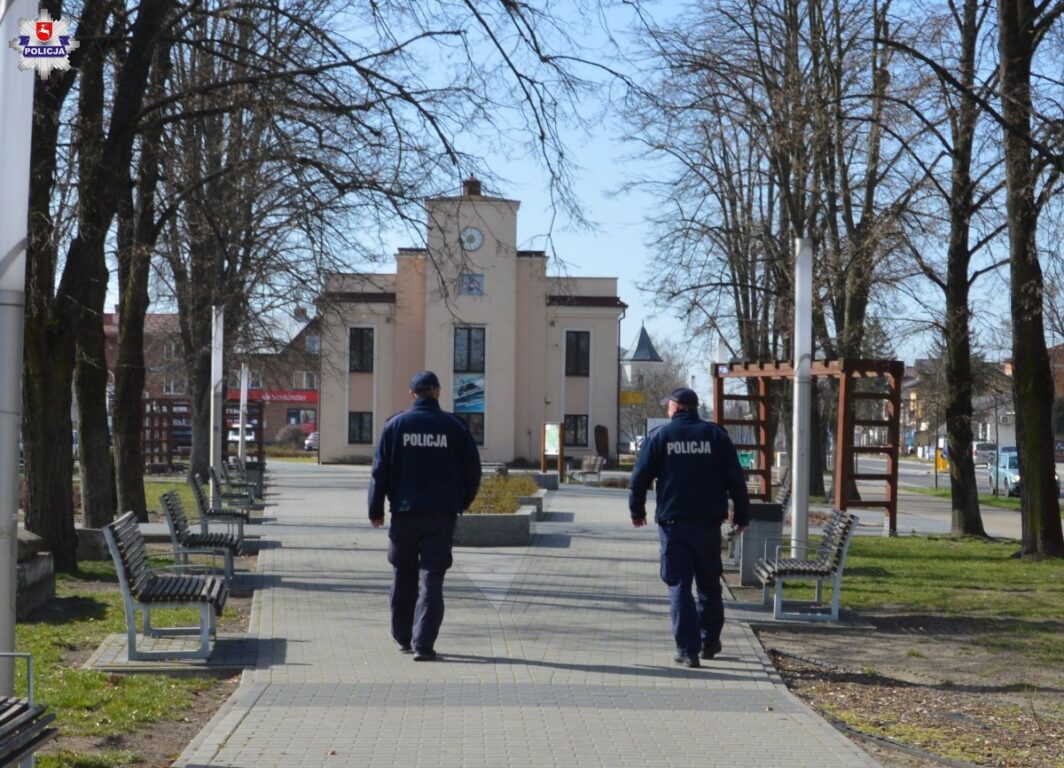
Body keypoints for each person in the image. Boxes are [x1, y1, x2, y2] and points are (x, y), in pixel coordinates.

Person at [628, 387, 750, 668]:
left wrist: (637, 511)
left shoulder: (660, 437)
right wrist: (742, 516)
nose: (667, 410)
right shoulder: (716, 436)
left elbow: (639, 478)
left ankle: (687, 649)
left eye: (668, 405)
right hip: (708, 524)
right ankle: (709, 641)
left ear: (675, 406)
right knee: (709, 583)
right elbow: (736, 479)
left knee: (679, 585)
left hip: (674, 524)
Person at [368, 371, 482, 661]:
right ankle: (424, 644)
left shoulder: (395, 426)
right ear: (438, 392)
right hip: (441, 515)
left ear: (412, 394)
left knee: (402, 575)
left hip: (404, 514)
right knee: (432, 578)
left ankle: (402, 636)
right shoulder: (455, 427)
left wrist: (375, 510)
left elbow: (379, 472)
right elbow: (473, 471)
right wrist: (461, 502)